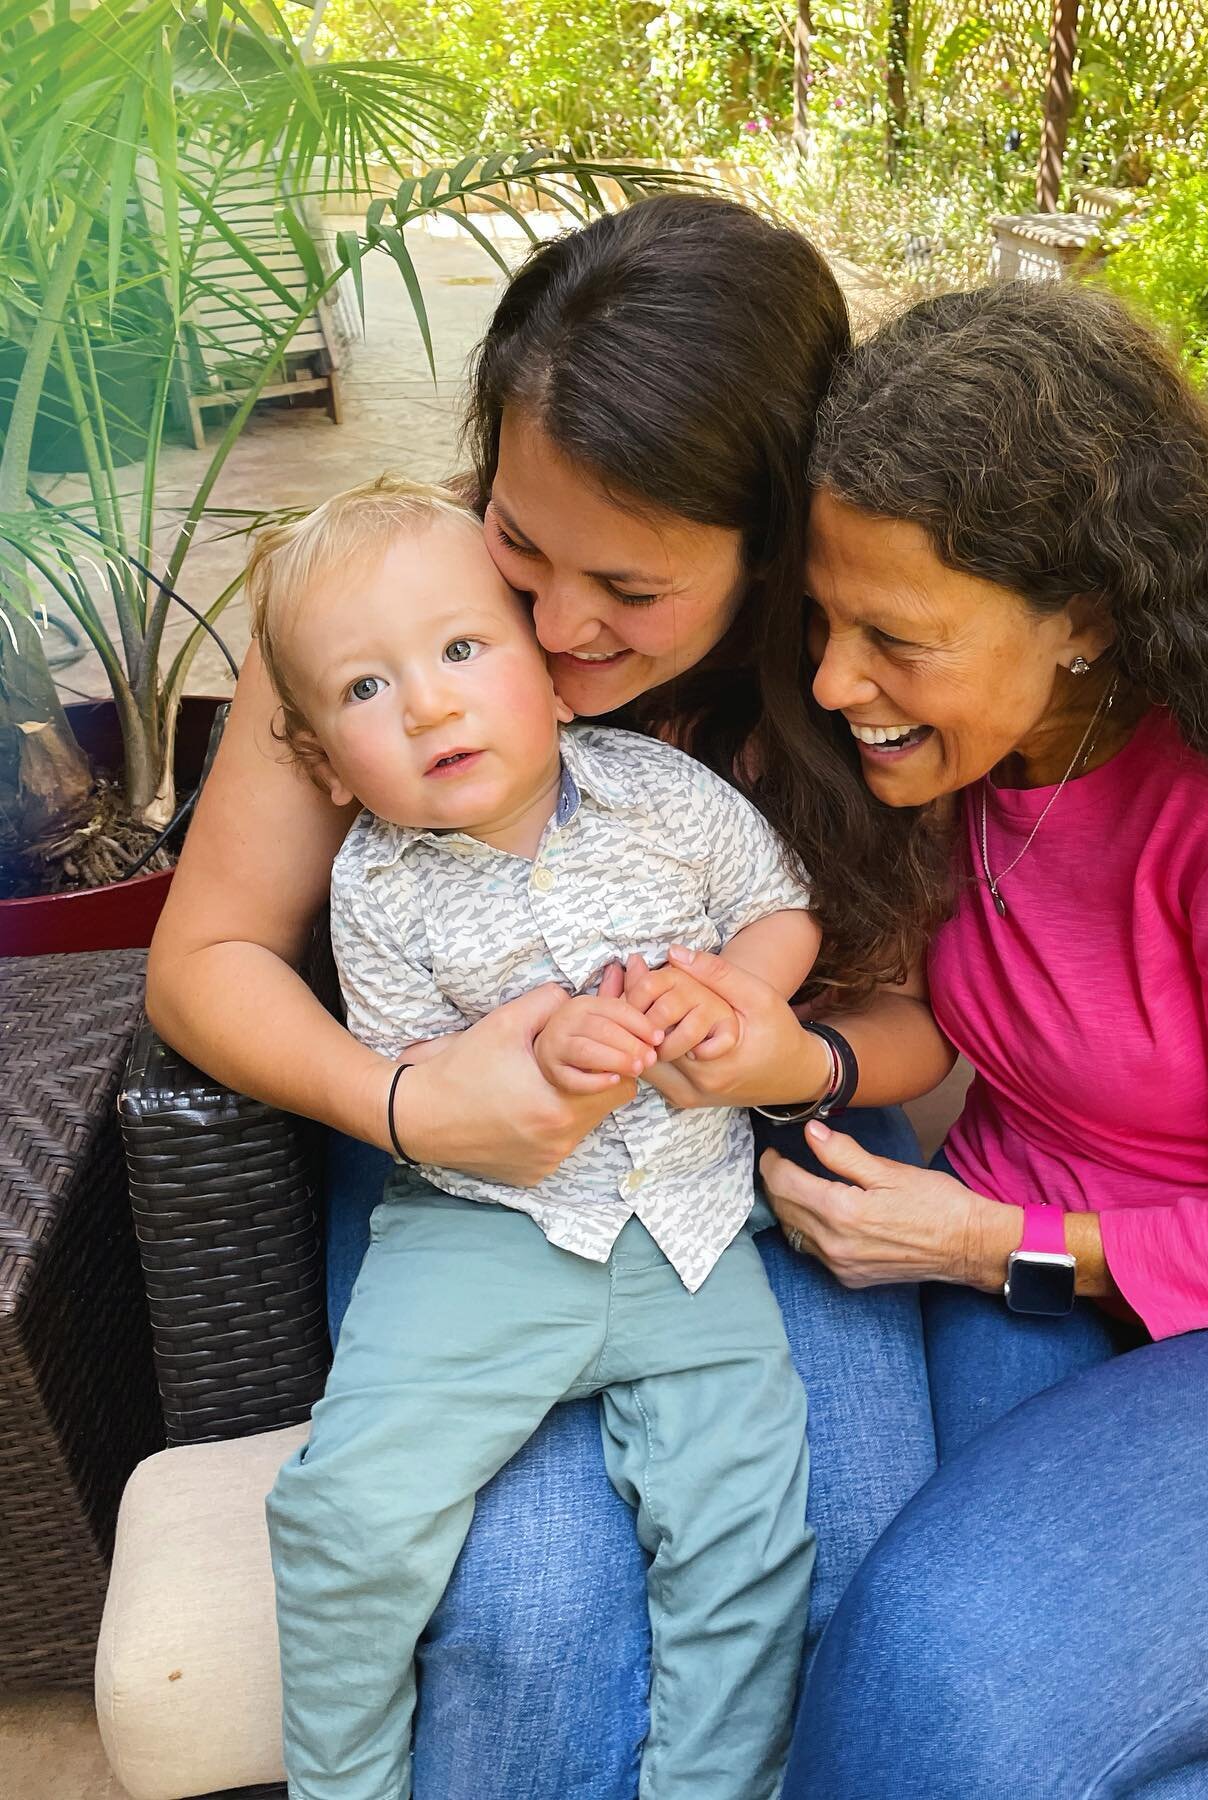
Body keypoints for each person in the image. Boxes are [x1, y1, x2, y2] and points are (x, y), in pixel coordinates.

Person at [146, 197, 944, 1796]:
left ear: (770, 544)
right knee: (523, 1609)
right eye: (523, 543)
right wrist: (407, 1100)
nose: (555, 627)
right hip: (469, 1193)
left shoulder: (841, 670)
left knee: (844, 1550)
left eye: (632, 589)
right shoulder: (384, 614)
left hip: (746, 1188)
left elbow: (914, 1017)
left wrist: (792, 1055)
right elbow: (202, 960)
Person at [749, 281, 1208, 1798]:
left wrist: (994, 1247)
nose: (833, 681)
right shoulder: (979, 751)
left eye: (894, 638)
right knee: (952, 1676)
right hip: (1041, 1273)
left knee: (941, 1654)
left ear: (1087, 618)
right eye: (823, 618)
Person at [247, 474, 824, 1800]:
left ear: (552, 675)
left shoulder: (666, 799)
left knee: (746, 1533)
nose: (431, 702)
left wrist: (738, 991)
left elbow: (776, 907)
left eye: (461, 651)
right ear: (332, 767)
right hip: (482, 1237)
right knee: (345, 1517)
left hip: (688, 1231)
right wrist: (537, 1050)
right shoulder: (378, 887)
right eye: (365, 690)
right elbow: (416, 1073)